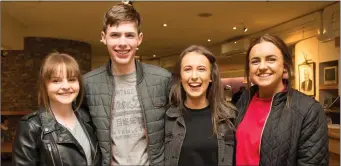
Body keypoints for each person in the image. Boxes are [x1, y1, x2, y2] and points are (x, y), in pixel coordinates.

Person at [81, 2, 172, 166]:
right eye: (115, 35)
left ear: (140, 38)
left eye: (129, 35)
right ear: (103, 37)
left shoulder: (162, 79)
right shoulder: (88, 84)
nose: (122, 43)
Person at [235, 34, 328, 166]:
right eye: (255, 61)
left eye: (271, 59)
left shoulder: (308, 110)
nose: (262, 67)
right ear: (249, 69)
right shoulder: (244, 100)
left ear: (284, 67)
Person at [12, 53, 101, 166]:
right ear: (44, 85)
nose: (66, 86)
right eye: (56, 81)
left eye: (72, 79)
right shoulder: (31, 126)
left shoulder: (88, 118)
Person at [165, 45, 236, 166]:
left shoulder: (229, 117)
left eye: (201, 69)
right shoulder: (168, 117)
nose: (194, 76)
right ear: (181, 77)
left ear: (211, 77)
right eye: (187, 69)